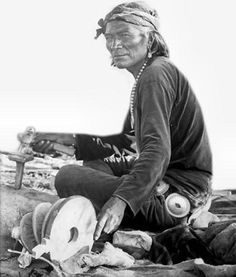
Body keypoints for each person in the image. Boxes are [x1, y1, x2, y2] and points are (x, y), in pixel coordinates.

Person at [30, 1, 212, 241]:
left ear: (150, 38)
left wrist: (121, 200)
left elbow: (157, 148)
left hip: (178, 196)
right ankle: (133, 191)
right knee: (95, 161)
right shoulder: (151, 73)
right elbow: (128, 141)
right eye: (109, 37)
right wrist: (61, 141)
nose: (114, 45)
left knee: (67, 176)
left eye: (125, 34)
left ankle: (136, 200)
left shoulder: (154, 76)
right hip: (169, 181)